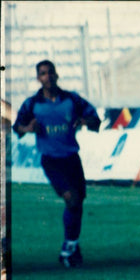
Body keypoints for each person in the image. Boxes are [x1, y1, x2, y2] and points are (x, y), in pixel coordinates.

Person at [12, 60, 100, 268]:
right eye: (43, 73)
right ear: (38, 78)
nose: (48, 76)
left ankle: (72, 246)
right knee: (71, 198)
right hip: (51, 160)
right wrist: (28, 128)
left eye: (50, 72)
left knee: (77, 203)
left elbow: (94, 118)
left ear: (56, 75)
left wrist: (85, 122)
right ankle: (67, 250)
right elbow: (17, 127)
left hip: (71, 157)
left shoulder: (72, 99)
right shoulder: (32, 104)